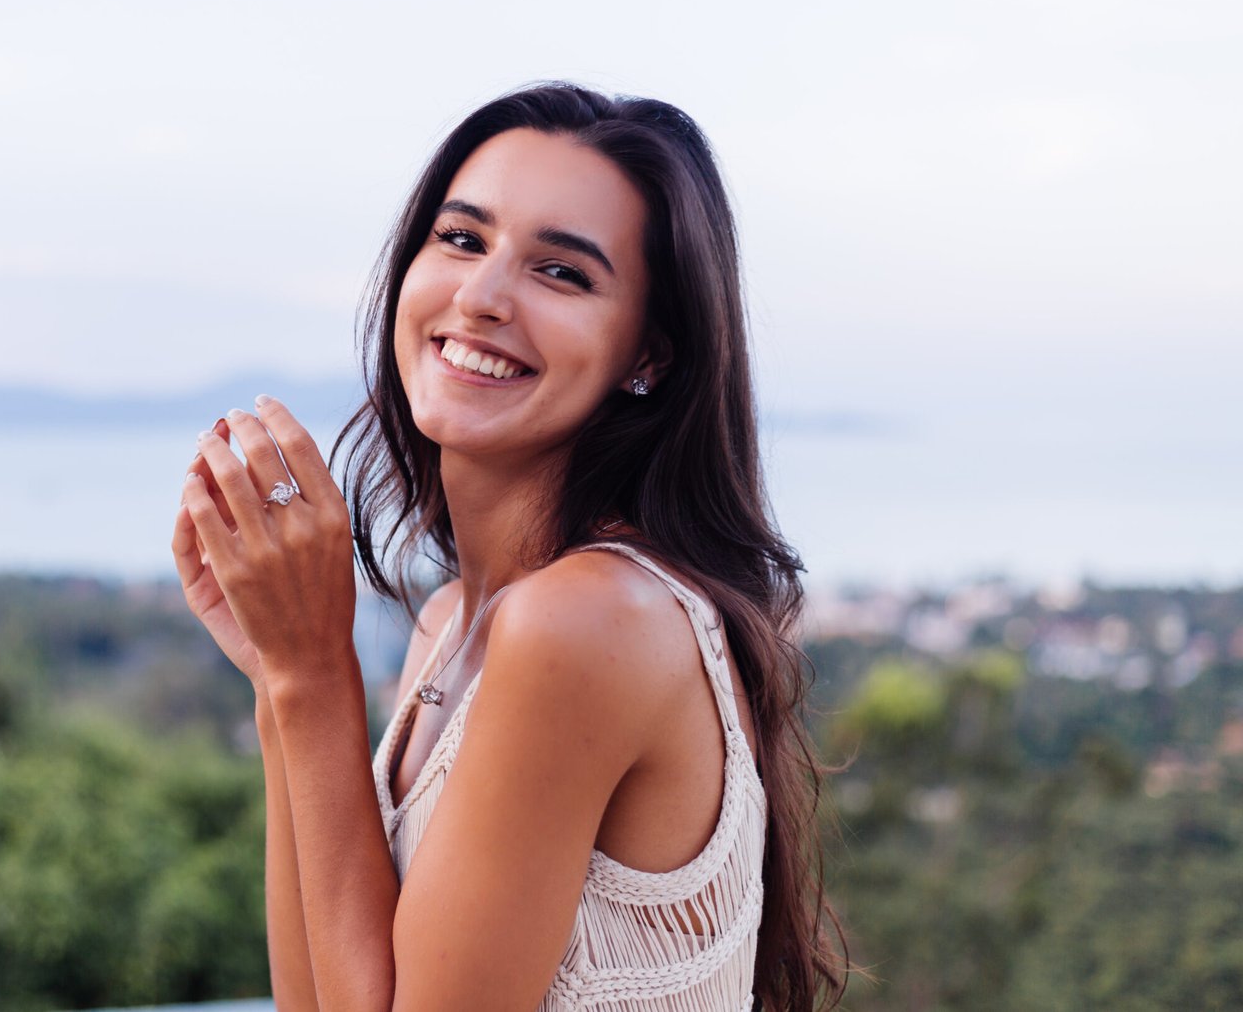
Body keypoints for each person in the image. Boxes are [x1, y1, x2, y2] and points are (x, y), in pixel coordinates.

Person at [172, 82, 847, 1011]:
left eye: (562, 272)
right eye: (461, 239)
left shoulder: (588, 621)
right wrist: (280, 678)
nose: (482, 295)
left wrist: (317, 672)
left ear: (648, 354)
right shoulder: (451, 626)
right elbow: (320, 1001)